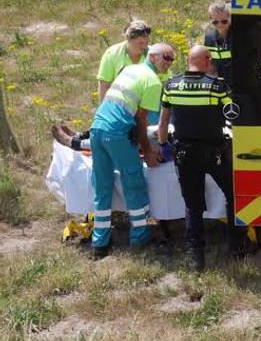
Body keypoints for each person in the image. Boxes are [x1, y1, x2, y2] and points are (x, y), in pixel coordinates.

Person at [157, 45, 245, 271]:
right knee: (234, 196)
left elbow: (163, 122)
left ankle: (196, 257)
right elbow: (233, 115)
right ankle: (236, 247)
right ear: (207, 61)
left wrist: (163, 145)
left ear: (188, 60)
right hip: (215, 152)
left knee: (192, 206)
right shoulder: (218, 87)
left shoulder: (171, 86)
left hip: (185, 155)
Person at [89, 43, 176, 258]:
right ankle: (140, 237)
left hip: (96, 128)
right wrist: (148, 151)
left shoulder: (130, 69)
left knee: (102, 185)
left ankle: (99, 243)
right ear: (152, 56)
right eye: (167, 57)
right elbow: (142, 120)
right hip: (116, 134)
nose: (170, 63)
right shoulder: (153, 82)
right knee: (134, 181)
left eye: (172, 59)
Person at [97, 19, 151, 103]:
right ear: (128, 39)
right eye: (140, 43)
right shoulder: (112, 54)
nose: (144, 46)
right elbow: (104, 85)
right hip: (119, 104)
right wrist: (103, 111)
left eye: (147, 42)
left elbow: (164, 82)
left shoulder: (154, 55)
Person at [204, 0, 233, 84]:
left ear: (229, 18)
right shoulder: (209, 37)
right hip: (219, 85)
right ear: (210, 20)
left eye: (224, 21)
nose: (220, 25)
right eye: (215, 22)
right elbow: (210, 64)